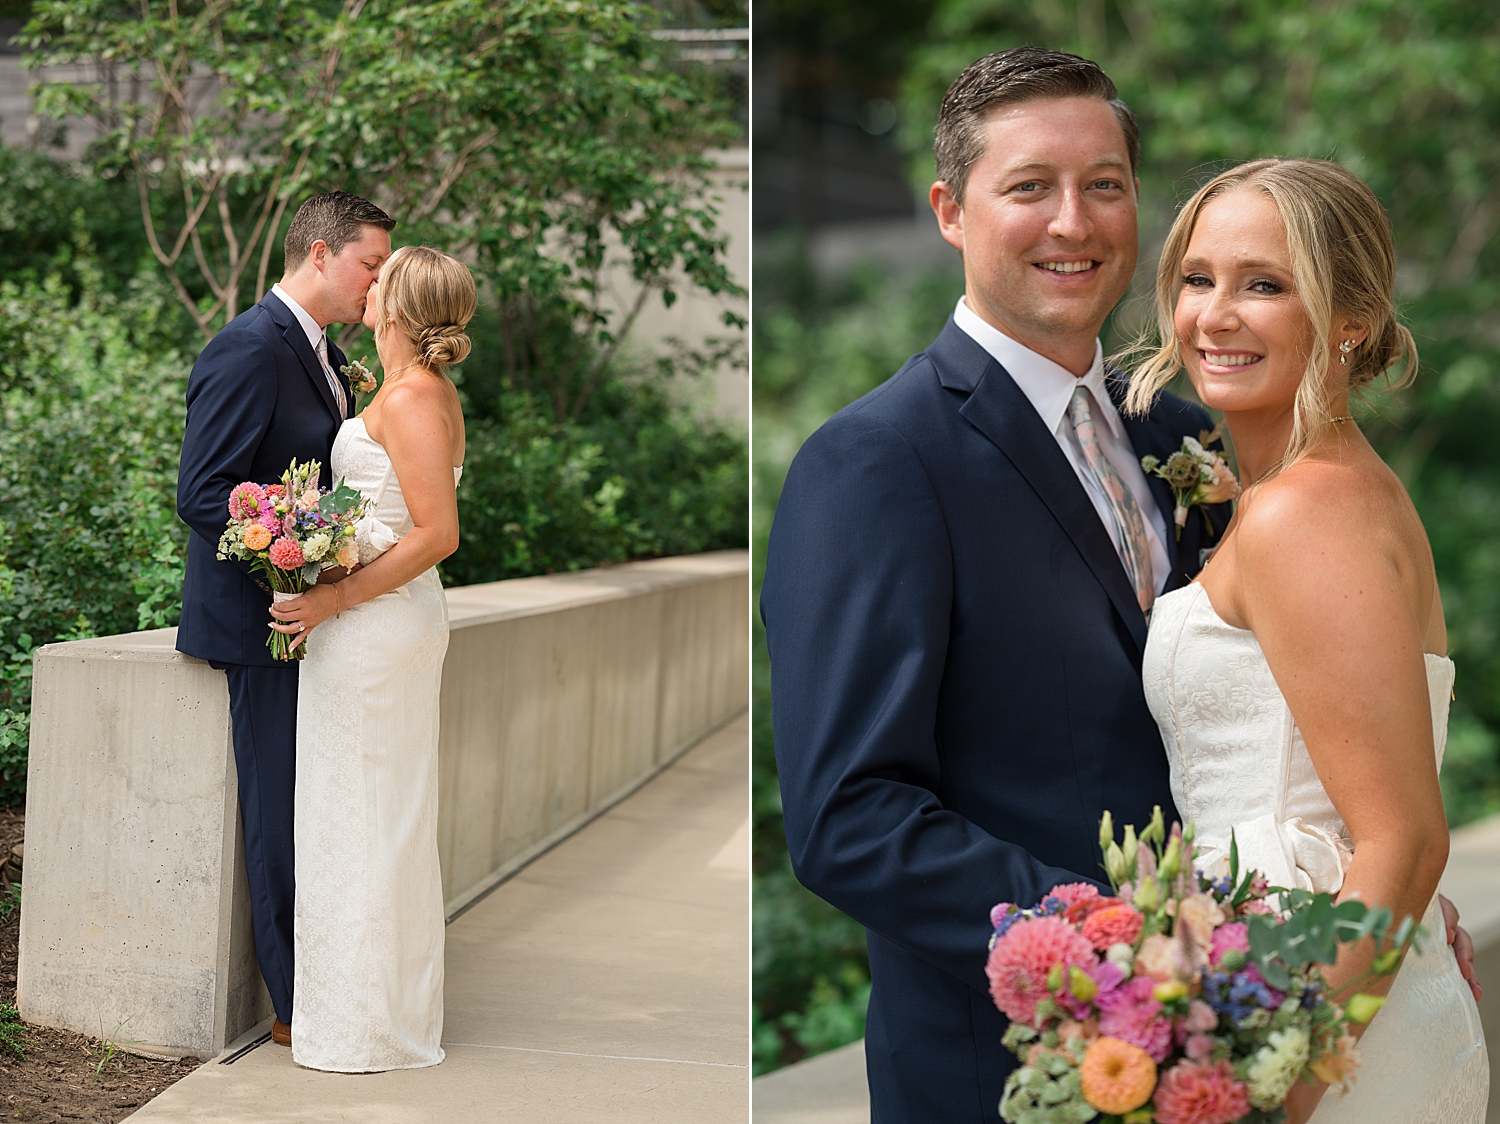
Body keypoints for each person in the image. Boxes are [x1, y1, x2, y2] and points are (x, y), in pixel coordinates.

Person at [760, 49, 1478, 1122]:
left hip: (1252, 1020)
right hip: (1012, 1062)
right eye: (1030, 187)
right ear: (952, 210)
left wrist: (1370, 903)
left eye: (1104, 184)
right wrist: (1132, 950)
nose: (1074, 221)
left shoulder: (1193, 437)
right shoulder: (875, 462)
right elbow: (851, 817)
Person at [1134, 157, 1488, 1121]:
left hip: (1320, 1020)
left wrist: (1270, 1088)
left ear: (1350, 322)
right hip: (1305, 981)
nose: (1215, 314)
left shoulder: (1306, 516)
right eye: (1198, 279)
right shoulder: (1308, 492)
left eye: (1265, 285)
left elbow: (1406, 840)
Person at [176, 191, 395, 1048]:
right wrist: (292, 558)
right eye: (370, 263)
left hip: (314, 621)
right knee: (277, 811)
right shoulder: (246, 347)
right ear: (317, 253)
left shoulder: (326, 354)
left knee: (320, 809)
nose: (378, 281)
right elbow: (204, 493)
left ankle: (333, 979)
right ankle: (295, 1006)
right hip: (260, 626)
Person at [268, 244, 472, 1072]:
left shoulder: (416, 397)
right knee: (357, 818)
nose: (367, 281)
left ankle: (367, 1028)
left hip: (380, 628)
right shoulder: (396, 390)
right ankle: (359, 1013)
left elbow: (438, 533)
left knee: (366, 824)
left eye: (380, 277)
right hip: (371, 624)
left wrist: (329, 597)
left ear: (395, 307)